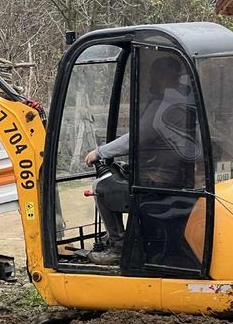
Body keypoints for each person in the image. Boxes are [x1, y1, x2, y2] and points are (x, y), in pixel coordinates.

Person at [83, 54, 201, 265]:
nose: (151, 82)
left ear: (164, 77)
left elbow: (136, 138)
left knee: (102, 186)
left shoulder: (163, 104)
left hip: (162, 179)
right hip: (181, 175)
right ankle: (131, 238)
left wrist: (99, 152)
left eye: (154, 76)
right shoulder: (187, 100)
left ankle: (119, 247)